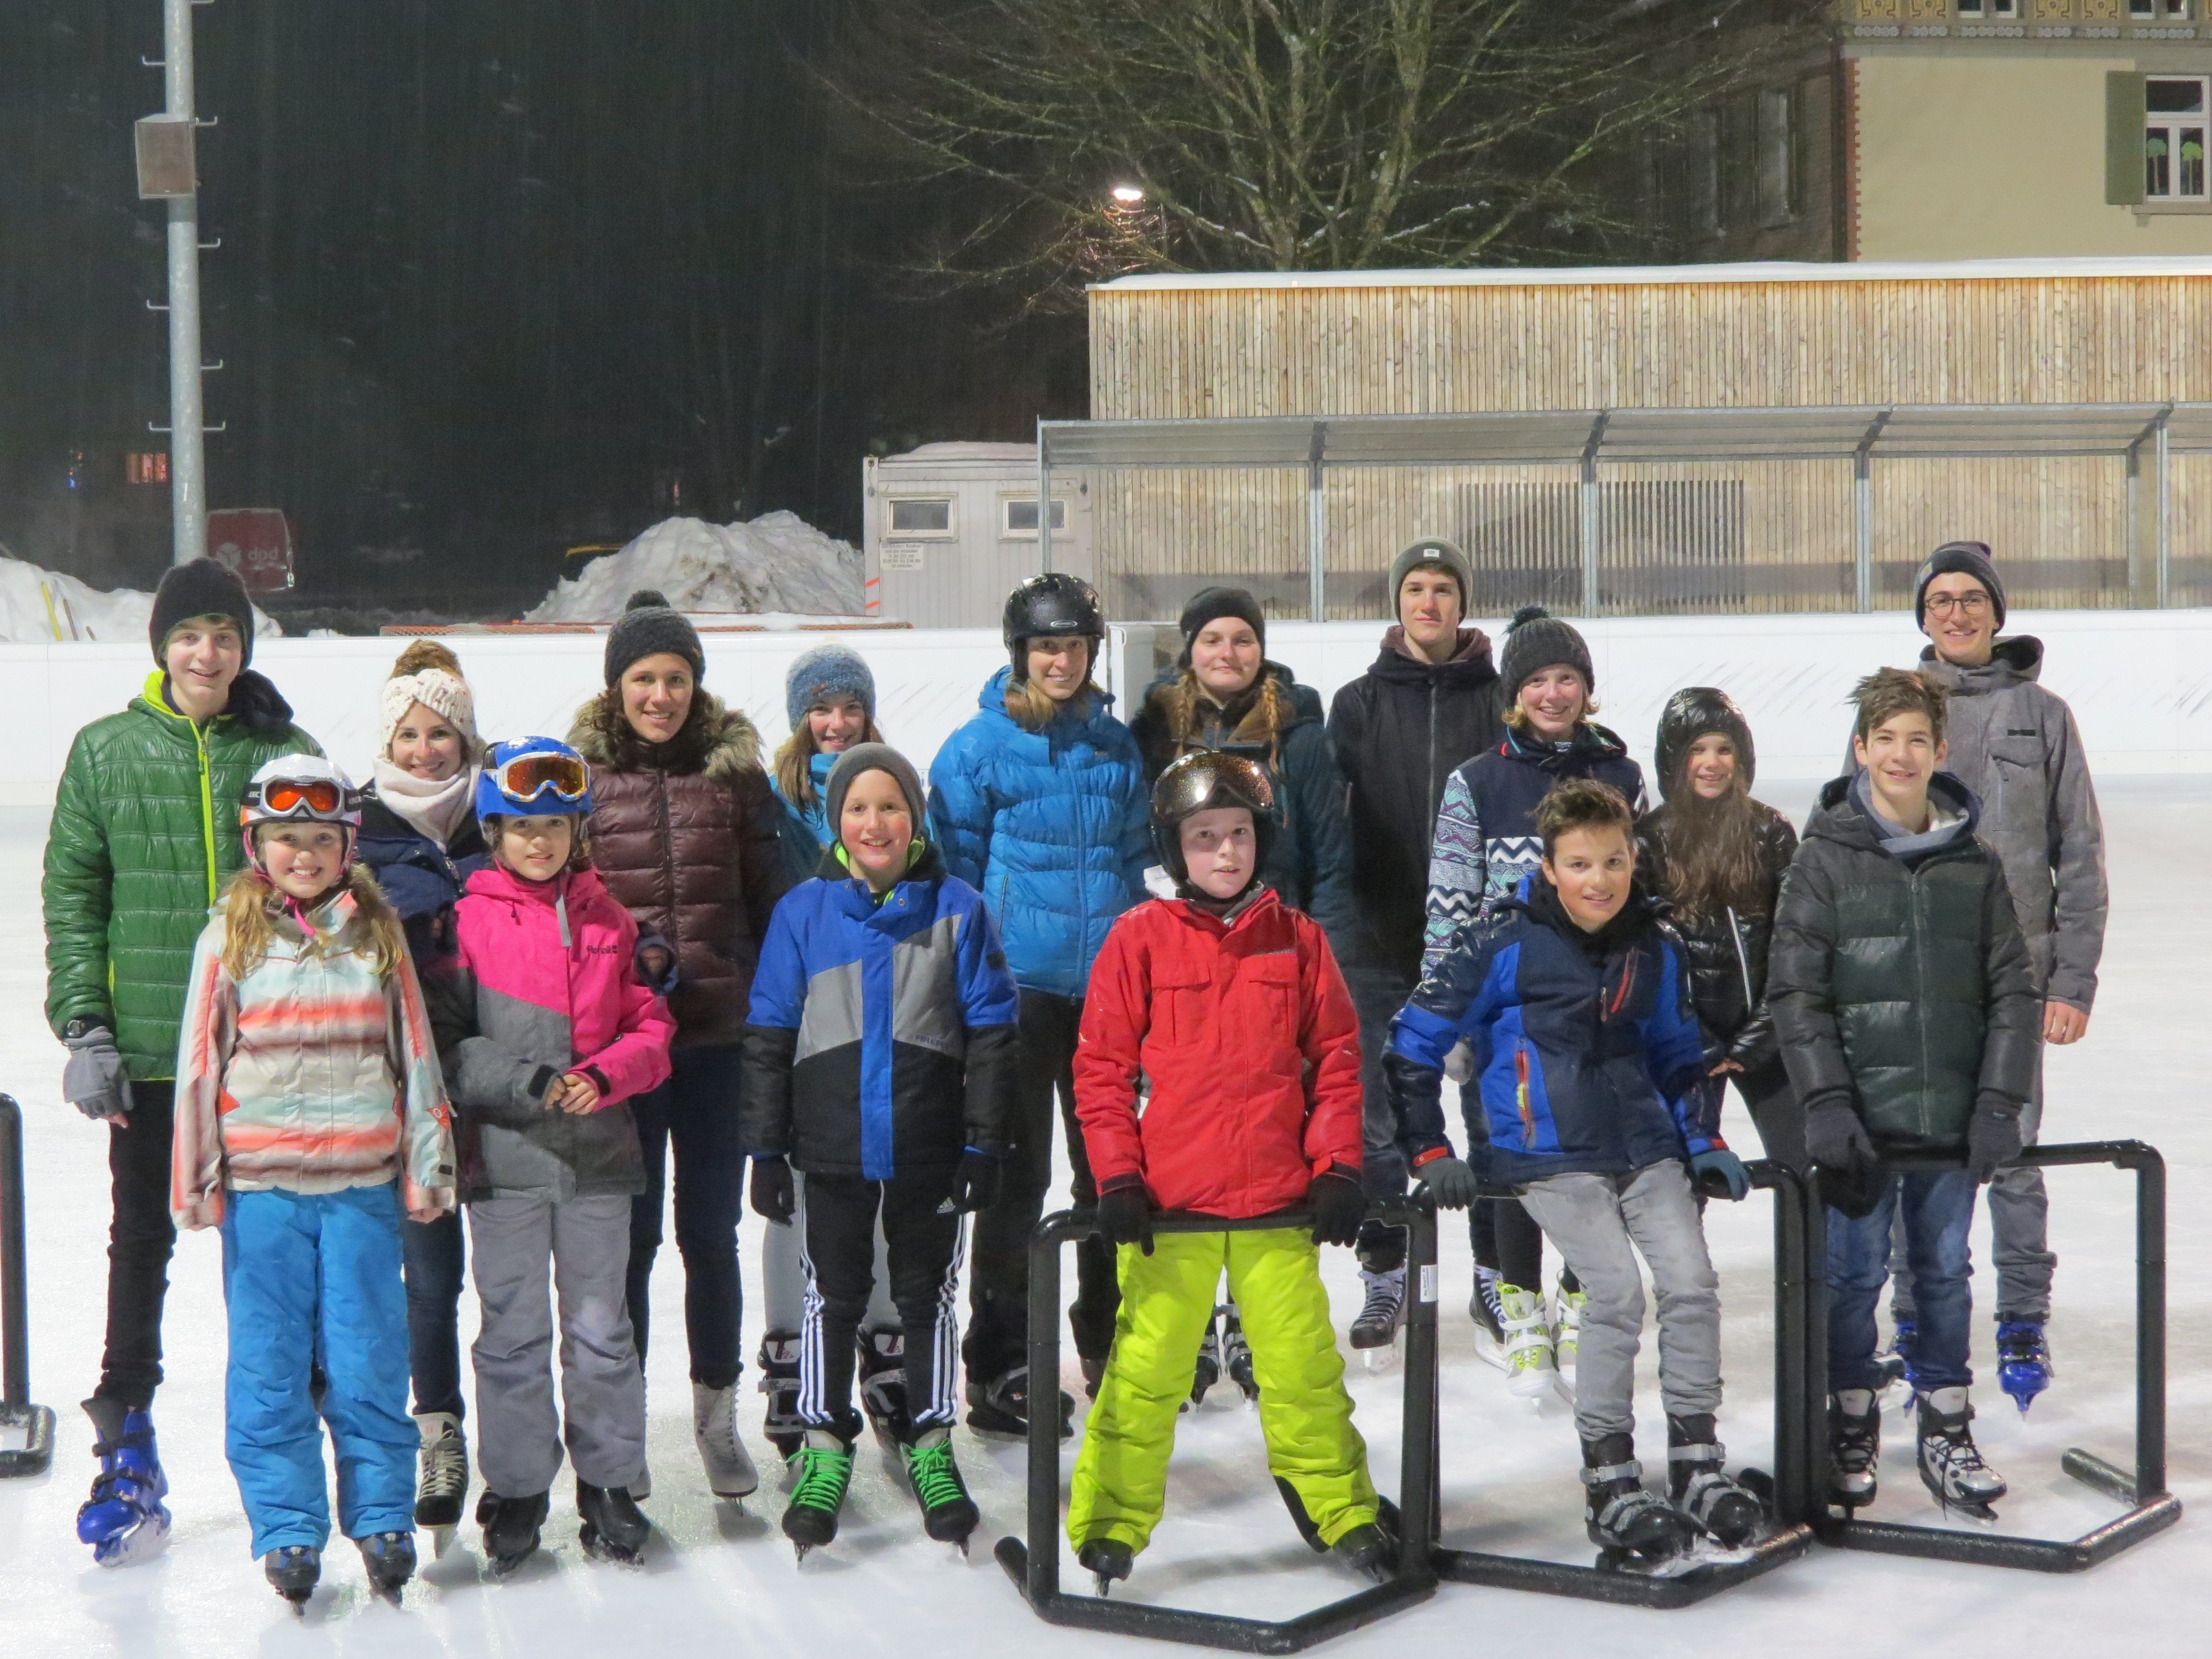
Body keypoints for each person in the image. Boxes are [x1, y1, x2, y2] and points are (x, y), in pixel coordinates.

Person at [1388, 778, 1762, 1560]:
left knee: (1692, 1285)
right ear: (1551, 870)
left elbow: (1678, 1055)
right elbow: (1412, 1043)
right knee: (1616, 1293)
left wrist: (1702, 1142)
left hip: (1644, 1147)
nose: (1601, 880)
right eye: (1582, 864)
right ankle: (1611, 1475)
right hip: (1548, 1157)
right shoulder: (1504, 946)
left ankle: (1696, 1462)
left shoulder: (1652, 946)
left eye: (1615, 861)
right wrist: (1429, 1149)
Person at [44, 557, 321, 1567]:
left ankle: (307, 1428)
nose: (208, 652)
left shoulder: (283, 748)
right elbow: (75, 898)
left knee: (285, 1247)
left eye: (226, 635)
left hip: (272, 1053)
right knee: (141, 1251)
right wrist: (88, 1027)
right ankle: (127, 1440)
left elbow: (334, 889)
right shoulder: (107, 752)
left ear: (244, 648)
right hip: (158, 1054)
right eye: (191, 634)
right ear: (162, 646)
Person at [1068, 752, 1391, 1592]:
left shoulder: (1300, 940)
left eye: (1238, 836)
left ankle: (1342, 1506)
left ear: (1261, 841)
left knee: (1302, 1368)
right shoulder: (1138, 939)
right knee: (1145, 1373)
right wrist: (1118, 1180)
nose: (1224, 854)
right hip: (1172, 1208)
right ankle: (1109, 1522)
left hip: (1275, 1208)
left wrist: (1337, 1168)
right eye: (1204, 838)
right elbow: (1100, 1071)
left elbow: (1338, 1065)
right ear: (1176, 852)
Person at [171, 757, 455, 1605]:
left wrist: (428, 1163)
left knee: (370, 1354)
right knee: (269, 1364)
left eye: (321, 839)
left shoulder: (377, 932)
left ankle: (380, 1516)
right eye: (287, 838)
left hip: (363, 1190)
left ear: (347, 846)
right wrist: (196, 1179)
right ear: (259, 845)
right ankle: (289, 1527)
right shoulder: (231, 936)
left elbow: (415, 1052)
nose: (305, 853)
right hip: (262, 1198)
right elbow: (197, 1061)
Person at [1770, 669, 2039, 1521]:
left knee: (1944, 1273)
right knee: (1850, 1279)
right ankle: (1849, 1414)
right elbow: (1797, 996)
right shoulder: (1823, 863)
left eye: (1916, 739)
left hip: (1949, 1122)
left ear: (1940, 751)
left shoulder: (1977, 866)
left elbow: (2012, 994)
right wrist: (1826, 1104)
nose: (1900, 754)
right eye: (1884, 738)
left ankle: (1946, 1420)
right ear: (1861, 749)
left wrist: (1999, 1103)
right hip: (1863, 1124)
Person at [741, 744, 1019, 1557]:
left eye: (890, 807)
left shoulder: (957, 908)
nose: (875, 823)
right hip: (829, 1147)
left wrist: (984, 1143)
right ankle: (826, 1445)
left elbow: (994, 1034)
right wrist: (764, 1148)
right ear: (837, 825)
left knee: (928, 1294)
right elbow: (768, 1034)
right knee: (835, 1293)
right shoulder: (803, 914)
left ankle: (931, 1441)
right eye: (858, 809)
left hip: (930, 1145)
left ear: (915, 819)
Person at [1859, 544, 2106, 1413]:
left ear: (1997, 613)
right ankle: (1917, 1317)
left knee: (2012, 1155)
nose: (1956, 614)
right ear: (1922, 616)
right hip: (1915, 980)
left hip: (2015, 983)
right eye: (1940, 601)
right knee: (1915, 1154)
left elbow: (2078, 855)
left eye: (1971, 600)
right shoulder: (1897, 711)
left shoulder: (2041, 714)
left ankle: (2022, 1317)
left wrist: (2070, 981)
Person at [425, 737, 676, 1571]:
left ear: (578, 830)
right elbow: (449, 1043)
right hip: (504, 1165)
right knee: (513, 1332)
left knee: (602, 1329)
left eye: (555, 826)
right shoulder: (465, 918)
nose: (540, 842)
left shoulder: (609, 917)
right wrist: (527, 1080)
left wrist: (605, 1076)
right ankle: (521, 1483)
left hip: (599, 1161)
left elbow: (652, 1028)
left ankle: (610, 1481)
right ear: (494, 833)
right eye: (521, 827)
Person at [571, 590, 784, 1501]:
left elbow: (777, 906)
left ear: (697, 687)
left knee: (710, 1233)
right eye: (644, 678)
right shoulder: (580, 784)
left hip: (715, 1043)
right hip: (623, 1055)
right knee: (629, 1242)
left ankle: (716, 1418)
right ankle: (622, 1431)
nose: (660, 695)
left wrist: (769, 1013)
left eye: (676, 678)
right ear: (617, 687)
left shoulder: (735, 782)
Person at [928, 574, 1150, 1436]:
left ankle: (1108, 1337)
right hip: (1019, 992)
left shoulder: (1116, 747)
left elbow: (1135, 862)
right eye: (1044, 646)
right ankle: (1002, 1363)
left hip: (1106, 994)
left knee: (1110, 1172)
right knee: (1016, 1178)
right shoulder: (979, 747)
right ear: (1019, 653)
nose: (1060, 660)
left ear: (1094, 651)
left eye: (1074, 645)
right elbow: (955, 872)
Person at [1129, 585, 1357, 1395]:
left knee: (1269, 1134)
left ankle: (1259, 1321)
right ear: (1187, 648)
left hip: (1275, 949)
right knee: (1187, 1132)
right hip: (1186, 953)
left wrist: (1317, 943)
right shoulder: (1155, 727)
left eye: (1243, 640)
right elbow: (1140, 837)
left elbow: (1329, 853)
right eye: (1212, 640)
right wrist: (1163, 921)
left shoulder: (1299, 731)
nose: (1228, 654)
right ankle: (1188, 1322)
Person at [1423, 604, 1642, 1397]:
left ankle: (1583, 1298)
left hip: (1597, 1005)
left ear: (1587, 689)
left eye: (1568, 679)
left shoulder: (1619, 777)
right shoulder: (1477, 782)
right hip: (1502, 1008)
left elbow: (1635, 892)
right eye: (1538, 681)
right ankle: (1514, 1303)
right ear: (1515, 694)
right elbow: (1449, 903)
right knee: (1510, 1158)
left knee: (1595, 1154)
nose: (1554, 694)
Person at [1326, 538, 1503, 1352]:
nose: (1428, 602)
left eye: (1443, 589)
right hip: (1378, 934)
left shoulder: (1498, 698)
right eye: (1415, 588)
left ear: (1463, 605)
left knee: (1489, 1106)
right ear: (1397, 603)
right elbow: (1335, 823)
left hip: (1478, 942)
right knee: (1379, 1115)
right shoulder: (1358, 702)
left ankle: (1501, 1277)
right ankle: (1385, 1271)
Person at [353, 639, 492, 1537]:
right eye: (409, 733)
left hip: (511, 1081)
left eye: (441, 733)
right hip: (415, 1097)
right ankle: (439, 1430)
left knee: (518, 1284)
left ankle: (538, 1444)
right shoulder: (360, 837)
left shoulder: (508, 820)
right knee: (429, 1280)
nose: (424, 750)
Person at [759, 643, 902, 1456]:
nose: (836, 722)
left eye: (849, 707)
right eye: (822, 708)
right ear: (799, 717)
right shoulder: (775, 801)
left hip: (880, 1011)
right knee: (797, 1189)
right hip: (799, 1008)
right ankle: (789, 1353)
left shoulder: (891, 787)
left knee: (880, 1177)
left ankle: (883, 1339)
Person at [1636, 688, 1804, 1172]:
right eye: (1697, 750)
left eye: (1724, 749)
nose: (1712, 763)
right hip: (1686, 1040)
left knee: (1805, 1165)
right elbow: (1645, 952)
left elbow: (1794, 937)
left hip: (1765, 1034)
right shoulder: (1649, 839)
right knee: (1683, 1169)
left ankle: (1806, 1252)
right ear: (1676, 759)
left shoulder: (1769, 830)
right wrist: (1696, 1038)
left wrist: (1763, 1032)